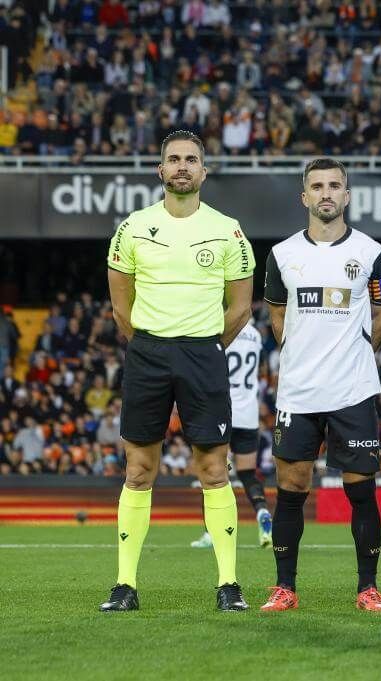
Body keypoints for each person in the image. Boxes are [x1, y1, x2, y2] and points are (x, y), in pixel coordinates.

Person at [101, 130, 254, 612]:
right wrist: (150, 344)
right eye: (174, 159)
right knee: (139, 469)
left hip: (201, 355)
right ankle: (125, 585)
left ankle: (228, 585)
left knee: (213, 468)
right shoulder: (133, 226)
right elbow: (120, 303)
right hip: (147, 354)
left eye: (191, 159)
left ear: (204, 171)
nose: (182, 166)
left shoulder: (228, 229)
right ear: (160, 170)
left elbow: (241, 307)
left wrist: (205, 345)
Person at [259, 158, 381, 613]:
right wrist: (293, 346)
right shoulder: (281, 255)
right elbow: (276, 311)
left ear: (347, 195)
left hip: (352, 391)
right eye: (317, 186)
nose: (326, 193)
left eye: (335, 185)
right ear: (304, 197)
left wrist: (357, 351)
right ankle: (284, 588)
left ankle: (368, 588)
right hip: (297, 393)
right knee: (291, 487)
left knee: (361, 488)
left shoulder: (372, 252)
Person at [191, 318, 273, 549]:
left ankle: (210, 532)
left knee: (213, 472)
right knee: (247, 473)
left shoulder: (221, 327)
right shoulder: (256, 335)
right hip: (248, 413)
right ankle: (262, 511)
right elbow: (263, 371)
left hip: (222, 411)